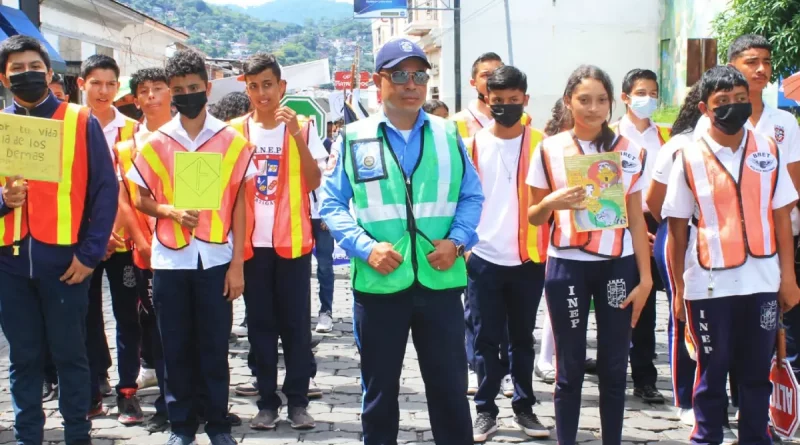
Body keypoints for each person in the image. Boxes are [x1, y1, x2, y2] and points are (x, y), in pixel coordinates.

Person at [319, 38, 483, 445]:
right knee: (379, 393)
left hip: (440, 282)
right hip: (379, 286)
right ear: (381, 81)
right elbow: (332, 203)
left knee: (449, 391)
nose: (412, 84)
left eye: (420, 75)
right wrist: (364, 246)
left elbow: (472, 195)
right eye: (400, 75)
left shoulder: (448, 134)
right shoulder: (355, 137)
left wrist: (458, 240)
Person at [663, 65, 800, 445]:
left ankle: (756, 437)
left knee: (757, 372)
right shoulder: (687, 155)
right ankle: (706, 437)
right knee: (712, 371)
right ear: (706, 108)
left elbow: (781, 216)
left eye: (740, 99)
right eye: (723, 102)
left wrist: (788, 277)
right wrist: (677, 289)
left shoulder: (768, 150)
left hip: (762, 280)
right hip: (708, 283)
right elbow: (676, 230)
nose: (733, 108)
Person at [127, 49, 256, 445]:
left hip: (216, 256)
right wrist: (167, 209)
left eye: (193, 88)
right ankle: (181, 427)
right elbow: (140, 197)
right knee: (176, 349)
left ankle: (217, 424)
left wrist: (237, 265)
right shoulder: (155, 141)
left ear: (208, 88)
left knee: (214, 348)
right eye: (179, 90)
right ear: (171, 92)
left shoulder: (232, 141)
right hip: (170, 258)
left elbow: (239, 204)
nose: (186, 95)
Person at [0, 35, 118, 445]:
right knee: (24, 359)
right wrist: (2, 200)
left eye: (34, 67)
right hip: (10, 264)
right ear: (4, 77)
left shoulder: (80, 121)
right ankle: (27, 436)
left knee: (71, 356)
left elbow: (105, 190)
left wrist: (88, 255)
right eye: (17, 69)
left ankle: (76, 434)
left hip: (66, 263)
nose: (26, 75)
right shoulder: (0, 126)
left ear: (50, 74)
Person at [527, 65, 652, 445]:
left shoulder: (630, 152)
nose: (593, 108)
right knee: (570, 366)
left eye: (601, 100)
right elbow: (534, 216)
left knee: (615, 366)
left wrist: (645, 279)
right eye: (584, 99)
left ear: (612, 103)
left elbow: (635, 217)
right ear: (568, 102)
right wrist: (553, 200)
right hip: (566, 267)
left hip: (617, 266)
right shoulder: (549, 149)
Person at [228, 52, 326, 431]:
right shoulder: (235, 130)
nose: (261, 93)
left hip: (293, 243)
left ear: (281, 87)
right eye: (253, 86)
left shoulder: (303, 125)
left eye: (267, 84)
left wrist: (297, 137)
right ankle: (267, 401)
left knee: (296, 326)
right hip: (252, 246)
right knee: (261, 327)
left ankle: (298, 401)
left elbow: (314, 180)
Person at [466, 65, 549, 442]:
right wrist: (466, 246)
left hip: (529, 258)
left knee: (522, 338)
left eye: (513, 101)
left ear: (525, 100)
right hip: (483, 257)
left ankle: (524, 406)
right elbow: (462, 199)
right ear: (486, 100)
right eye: (497, 101)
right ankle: (485, 410)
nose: (505, 107)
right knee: (485, 338)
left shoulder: (542, 144)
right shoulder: (473, 143)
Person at [77, 54, 142, 418]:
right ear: (81, 84)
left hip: (123, 241)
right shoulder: (69, 126)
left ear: (118, 88)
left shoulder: (133, 130)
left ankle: (128, 389)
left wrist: (114, 232)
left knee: (127, 317)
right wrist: (92, 235)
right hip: (82, 243)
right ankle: (90, 390)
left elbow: (135, 190)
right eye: (95, 83)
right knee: (85, 316)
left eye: (110, 84)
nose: (103, 91)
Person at [450, 51, 512, 396]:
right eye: (486, 75)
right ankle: (477, 365)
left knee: (505, 313)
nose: (492, 79)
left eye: (498, 73)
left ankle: (502, 369)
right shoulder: (458, 124)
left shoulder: (520, 120)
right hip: (472, 232)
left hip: (508, 233)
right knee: (474, 309)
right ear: (474, 82)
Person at [114, 67, 173, 431]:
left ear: (171, 93)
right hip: (146, 251)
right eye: (144, 91)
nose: (151, 96)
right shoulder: (125, 147)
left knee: (189, 328)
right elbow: (124, 199)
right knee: (155, 329)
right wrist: (140, 240)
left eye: (158, 89)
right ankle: (167, 405)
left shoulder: (185, 138)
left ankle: (198, 400)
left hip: (185, 248)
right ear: (136, 99)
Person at [645, 81, 704, 428]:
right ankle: (685, 396)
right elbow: (654, 201)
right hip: (680, 234)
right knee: (682, 311)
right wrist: (673, 221)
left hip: (723, 240)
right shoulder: (680, 145)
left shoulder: (747, 140)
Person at [611, 68, 671, 404]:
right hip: (623, 222)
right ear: (625, 97)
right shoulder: (612, 137)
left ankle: (651, 375)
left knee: (660, 301)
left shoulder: (665, 137)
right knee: (632, 302)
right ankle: (630, 372)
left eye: (652, 92)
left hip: (659, 221)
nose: (646, 99)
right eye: (640, 93)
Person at [534, 99, 598, 384]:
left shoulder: (603, 147)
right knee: (557, 304)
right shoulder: (550, 148)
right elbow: (537, 206)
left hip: (596, 239)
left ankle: (574, 353)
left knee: (581, 307)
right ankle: (546, 358)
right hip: (560, 237)